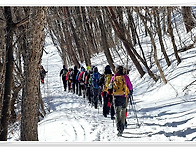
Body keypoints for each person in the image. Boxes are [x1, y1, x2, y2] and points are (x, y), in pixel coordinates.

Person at [108, 65, 133, 136]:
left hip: (116, 97)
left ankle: (119, 129)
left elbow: (109, 87)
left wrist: (109, 93)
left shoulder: (113, 77)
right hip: (124, 97)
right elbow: (130, 87)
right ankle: (122, 127)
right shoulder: (126, 77)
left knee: (117, 113)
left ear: (116, 70)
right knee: (123, 112)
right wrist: (130, 92)